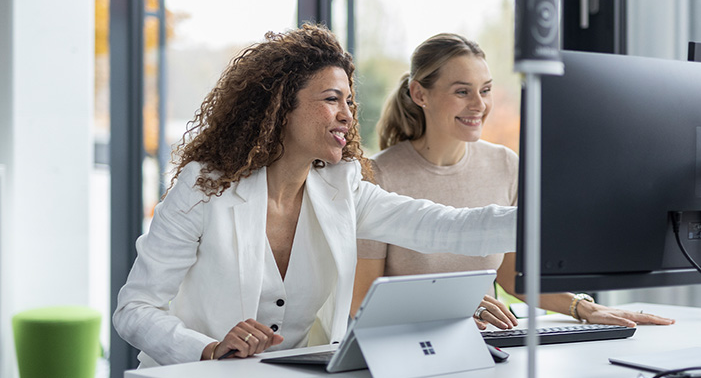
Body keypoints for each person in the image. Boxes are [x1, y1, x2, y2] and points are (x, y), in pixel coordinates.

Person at [112, 24, 518, 367]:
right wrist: (209, 348)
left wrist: (549, 218)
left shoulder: (343, 187)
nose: (347, 114)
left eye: (349, 101)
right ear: (280, 106)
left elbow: (444, 227)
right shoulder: (205, 186)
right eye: (330, 100)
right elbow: (134, 310)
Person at [352, 33, 675, 330]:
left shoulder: (504, 165)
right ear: (419, 93)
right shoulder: (378, 176)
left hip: (484, 344)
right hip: (407, 348)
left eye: (486, 90)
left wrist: (582, 308)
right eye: (462, 91)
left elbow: (511, 273)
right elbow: (359, 299)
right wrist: (450, 306)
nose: (479, 104)